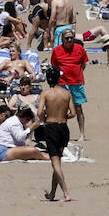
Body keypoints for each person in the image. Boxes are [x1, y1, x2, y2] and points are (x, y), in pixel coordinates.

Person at [36, 66, 75, 202]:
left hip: (51, 127)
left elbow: (39, 112)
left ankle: (66, 194)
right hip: (63, 127)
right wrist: (62, 116)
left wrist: (45, 119)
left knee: (55, 163)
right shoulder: (66, 94)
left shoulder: (46, 93)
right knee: (57, 161)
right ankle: (52, 193)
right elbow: (73, 113)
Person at [48, 27, 86, 141]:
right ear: (62, 39)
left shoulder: (79, 48)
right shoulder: (57, 50)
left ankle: (82, 134)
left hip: (77, 82)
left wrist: (77, 73)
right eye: (67, 38)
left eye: (71, 38)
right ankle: (61, 133)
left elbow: (83, 64)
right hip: (62, 82)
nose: (69, 40)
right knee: (62, 108)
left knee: (78, 108)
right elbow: (54, 66)